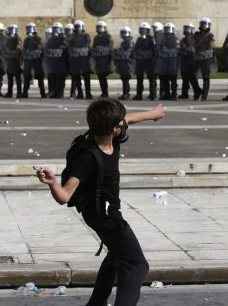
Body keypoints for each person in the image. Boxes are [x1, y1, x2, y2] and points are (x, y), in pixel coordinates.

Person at [33, 98, 165, 306]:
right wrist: (52, 183)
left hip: (104, 213)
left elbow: (128, 119)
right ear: (113, 128)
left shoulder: (112, 136)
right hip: (105, 218)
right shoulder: (88, 156)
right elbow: (65, 196)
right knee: (135, 263)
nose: (123, 125)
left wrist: (152, 114)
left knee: (116, 256)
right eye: (119, 123)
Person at [68, 20, 93, 99]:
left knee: (86, 77)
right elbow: (70, 46)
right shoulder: (72, 37)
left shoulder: (86, 36)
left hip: (84, 58)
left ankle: (88, 93)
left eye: (79, 27)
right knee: (77, 77)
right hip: (75, 59)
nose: (77, 29)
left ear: (82, 27)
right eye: (76, 27)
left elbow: (87, 44)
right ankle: (80, 93)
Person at [193, 17, 215, 101]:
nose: (204, 26)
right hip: (197, 57)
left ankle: (204, 96)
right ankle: (198, 90)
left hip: (206, 58)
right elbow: (193, 44)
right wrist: (193, 49)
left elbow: (212, 46)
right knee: (192, 75)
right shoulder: (196, 34)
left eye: (205, 24)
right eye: (202, 24)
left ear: (209, 25)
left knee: (205, 77)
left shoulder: (210, 35)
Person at [133, 22, 156, 100]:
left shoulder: (151, 39)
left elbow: (154, 49)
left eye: (145, 30)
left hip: (149, 61)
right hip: (140, 61)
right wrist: (137, 52)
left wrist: (148, 53)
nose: (143, 31)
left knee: (151, 79)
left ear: (148, 30)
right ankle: (139, 95)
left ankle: (152, 94)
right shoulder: (139, 39)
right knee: (139, 78)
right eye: (142, 30)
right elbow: (135, 49)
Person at [179, 23, 202, 100]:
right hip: (184, 60)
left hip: (192, 60)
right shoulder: (183, 39)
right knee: (185, 78)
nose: (186, 30)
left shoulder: (194, 39)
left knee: (192, 77)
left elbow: (193, 49)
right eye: (185, 28)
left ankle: (197, 91)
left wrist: (186, 48)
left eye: (188, 28)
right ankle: (184, 93)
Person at [44, 22, 67, 99]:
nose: (56, 31)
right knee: (53, 79)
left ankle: (60, 93)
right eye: (55, 29)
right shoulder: (51, 40)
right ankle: (53, 92)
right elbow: (47, 48)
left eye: (58, 29)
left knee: (60, 80)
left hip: (61, 62)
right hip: (53, 62)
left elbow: (65, 48)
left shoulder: (63, 38)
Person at [22, 22, 46, 98]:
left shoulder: (38, 38)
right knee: (27, 77)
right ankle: (25, 93)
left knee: (39, 77)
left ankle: (43, 94)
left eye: (30, 28)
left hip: (37, 60)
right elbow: (25, 49)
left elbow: (40, 48)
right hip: (29, 60)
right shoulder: (26, 40)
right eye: (28, 28)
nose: (29, 30)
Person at [157, 22, 179, 100]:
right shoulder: (162, 38)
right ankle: (167, 94)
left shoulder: (175, 38)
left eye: (169, 29)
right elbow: (158, 48)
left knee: (173, 80)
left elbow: (177, 49)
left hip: (172, 61)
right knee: (165, 79)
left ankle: (173, 94)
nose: (168, 31)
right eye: (166, 29)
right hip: (164, 61)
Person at [92, 21, 113, 98]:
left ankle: (105, 92)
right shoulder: (96, 37)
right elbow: (94, 47)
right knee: (100, 77)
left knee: (103, 76)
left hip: (105, 59)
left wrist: (102, 48)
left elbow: (110, 47)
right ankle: (103, 92)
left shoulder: (108, 36)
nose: (99, 29)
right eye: (98, 27)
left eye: (100, 28)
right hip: (98, 60)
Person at [113, 27, 134, 100]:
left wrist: (118, 52)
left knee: (125, 78)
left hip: (126, 63)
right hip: (123, 62)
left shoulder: (128, 42)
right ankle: (126, 93)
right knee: (124, 78)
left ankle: (126, 93)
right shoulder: (124, 42)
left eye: (124, 33)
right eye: (122, 33)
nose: (123, 34)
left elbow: (128, 52)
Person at [4, 24, 22, 98]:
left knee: (17, 79)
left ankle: (19, 93)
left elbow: (19, 49)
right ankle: (10, 92)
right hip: (10, 61)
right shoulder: (8, 39)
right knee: (10, 79)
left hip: (16, 61)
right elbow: (6, 49)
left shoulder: (17, 39)